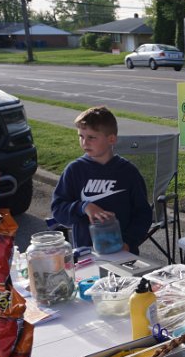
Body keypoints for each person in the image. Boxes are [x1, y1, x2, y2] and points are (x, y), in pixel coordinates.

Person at [51, 106, 153, 254]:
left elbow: (143, 214)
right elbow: (58, 209)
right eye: (81, 136)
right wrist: (84, 207)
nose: (85, 142)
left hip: (122, 252)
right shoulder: (74, 170)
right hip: (86, 253)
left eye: (91, 137)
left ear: (111, 139)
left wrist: (128, 242)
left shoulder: (128, 172)